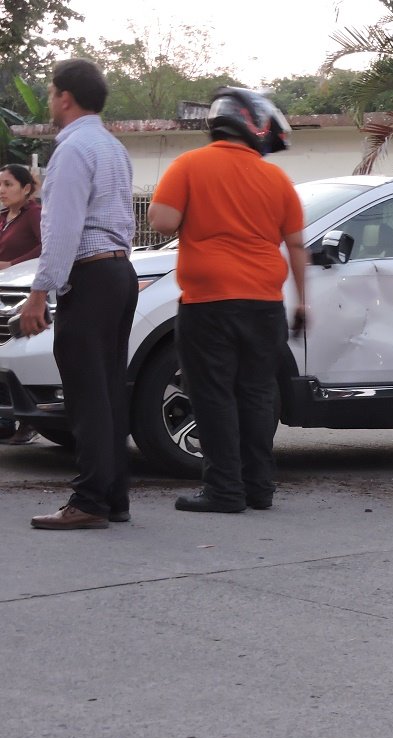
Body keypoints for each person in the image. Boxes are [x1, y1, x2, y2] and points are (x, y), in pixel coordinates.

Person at [147, 87, 306, 514]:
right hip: (264, 303)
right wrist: (303, 303)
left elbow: (163, 222)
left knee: (213, 394)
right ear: (254, 124)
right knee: (256, 394)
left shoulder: (189, 165)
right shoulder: (277, 179)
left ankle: (223, 490)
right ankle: (259, 487)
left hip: (208, 302)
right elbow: (296, 246)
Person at [22, 59, 139, 530]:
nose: (50, 102)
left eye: (51, 94)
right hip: (118, 274)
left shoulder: (72, 151)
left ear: (64, 97)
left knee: (88, 396)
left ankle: (89, 500)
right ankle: (113, 496)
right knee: (108, 391)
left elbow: (62, 228)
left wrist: (38, 292)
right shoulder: (112, 147)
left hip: (89, 278)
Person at [0, 163, 44, 445]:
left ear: (26, 188)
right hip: (3, 294)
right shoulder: (4, 217)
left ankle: (31, 421)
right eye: (0, 184)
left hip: (28, 297)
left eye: (8, 184)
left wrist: (13, 263)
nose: (2, 190)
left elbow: (46, 247)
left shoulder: (35, 214)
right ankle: (5, 421)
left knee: (23, 355)